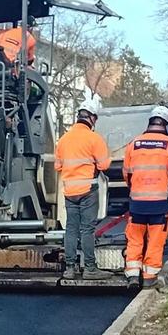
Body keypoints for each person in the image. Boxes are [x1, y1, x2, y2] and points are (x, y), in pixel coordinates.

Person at [122, 106, 168, 288]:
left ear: (150, 121)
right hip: (159, 205)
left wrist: (135, 189)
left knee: (135, 238)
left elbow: (127, 174)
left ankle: (133, 274)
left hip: (137, 204)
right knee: (155, 240)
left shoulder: (133, 144)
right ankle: (149, 276)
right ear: (166, 124)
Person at [55, 98, 111, 279]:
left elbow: (58, 166)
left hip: (69, 192)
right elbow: (104, 166)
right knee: (87, 229)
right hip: (88, 190)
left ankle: (70, 268)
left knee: (71, 229)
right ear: (92, 118)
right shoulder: (94, 138)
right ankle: (90, 268)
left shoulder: (63, 140)